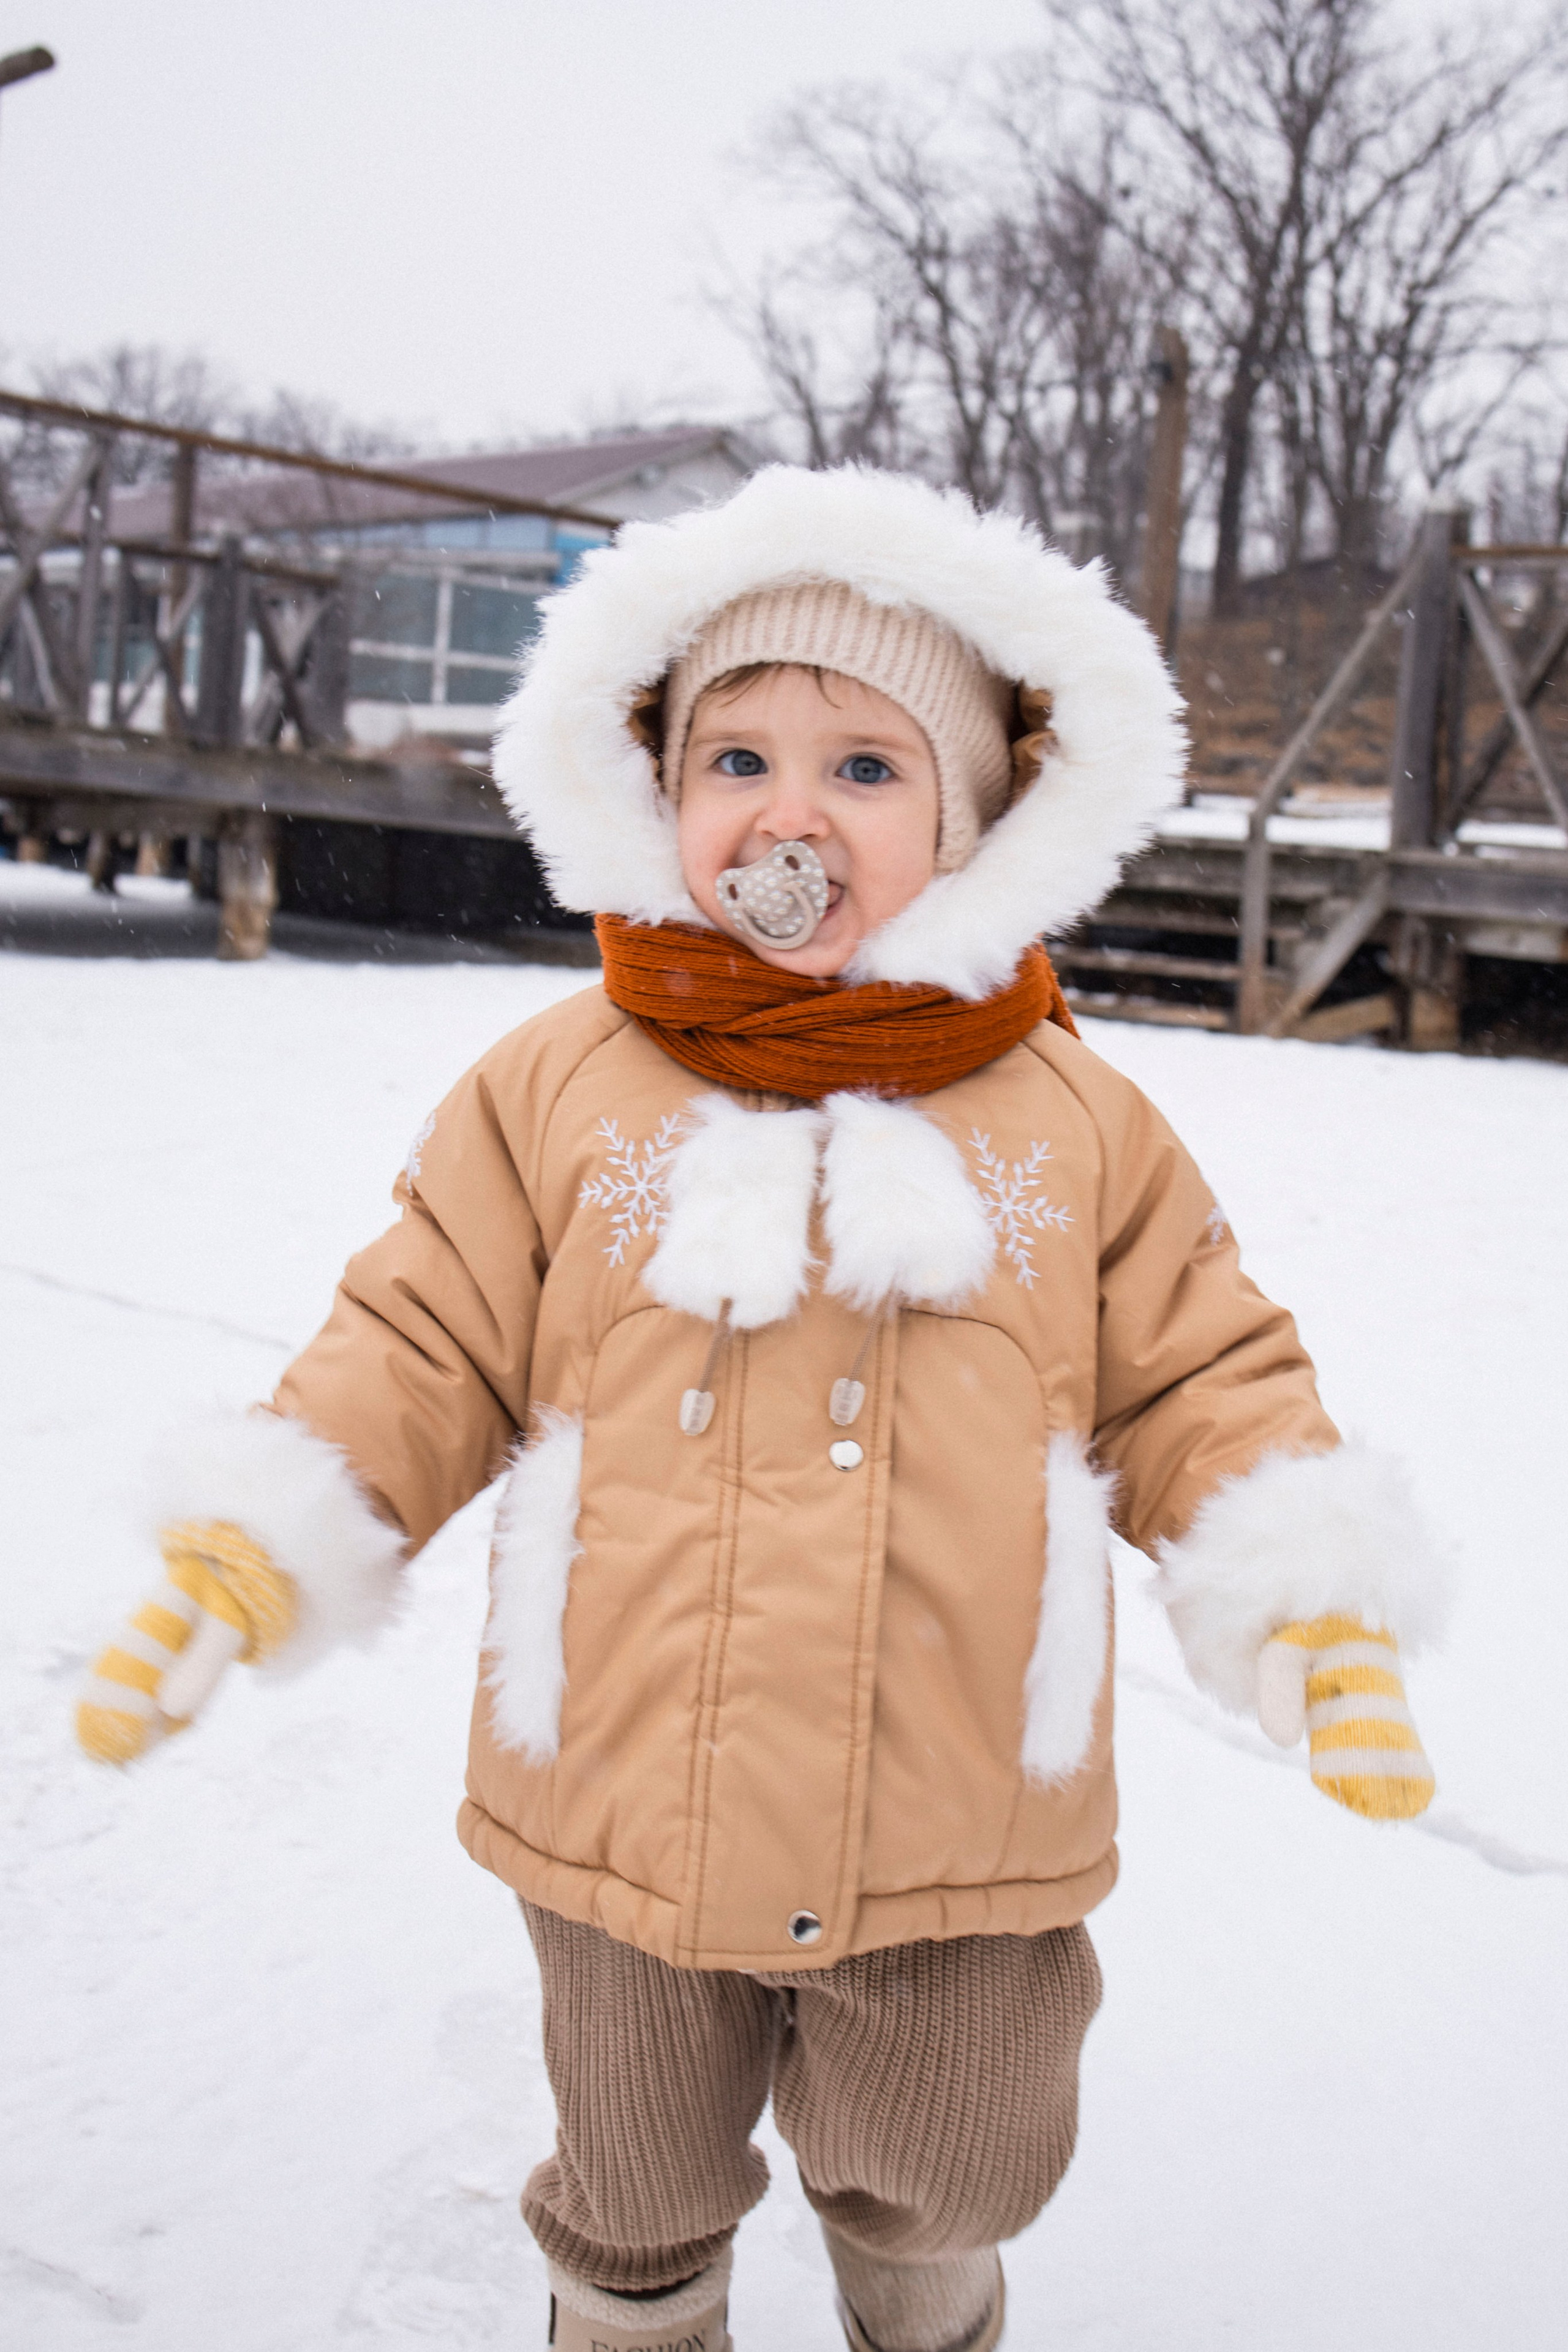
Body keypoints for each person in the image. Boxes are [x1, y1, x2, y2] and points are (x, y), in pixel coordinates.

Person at [77, 466, 1445, 2352]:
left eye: (868, 771)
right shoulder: (561, 1086)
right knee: (634, 2164)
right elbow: (422, 1338)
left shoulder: (1069, 1119)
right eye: (738, 760)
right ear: (658, 793)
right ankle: (637, 2315)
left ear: (976, 826)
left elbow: (1204, 1368)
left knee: (961, 2150)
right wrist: (260, 1536)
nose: (789, 815)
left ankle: (921, 2291)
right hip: (626, 1775)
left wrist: (1304, 1586)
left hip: (964, 1791)